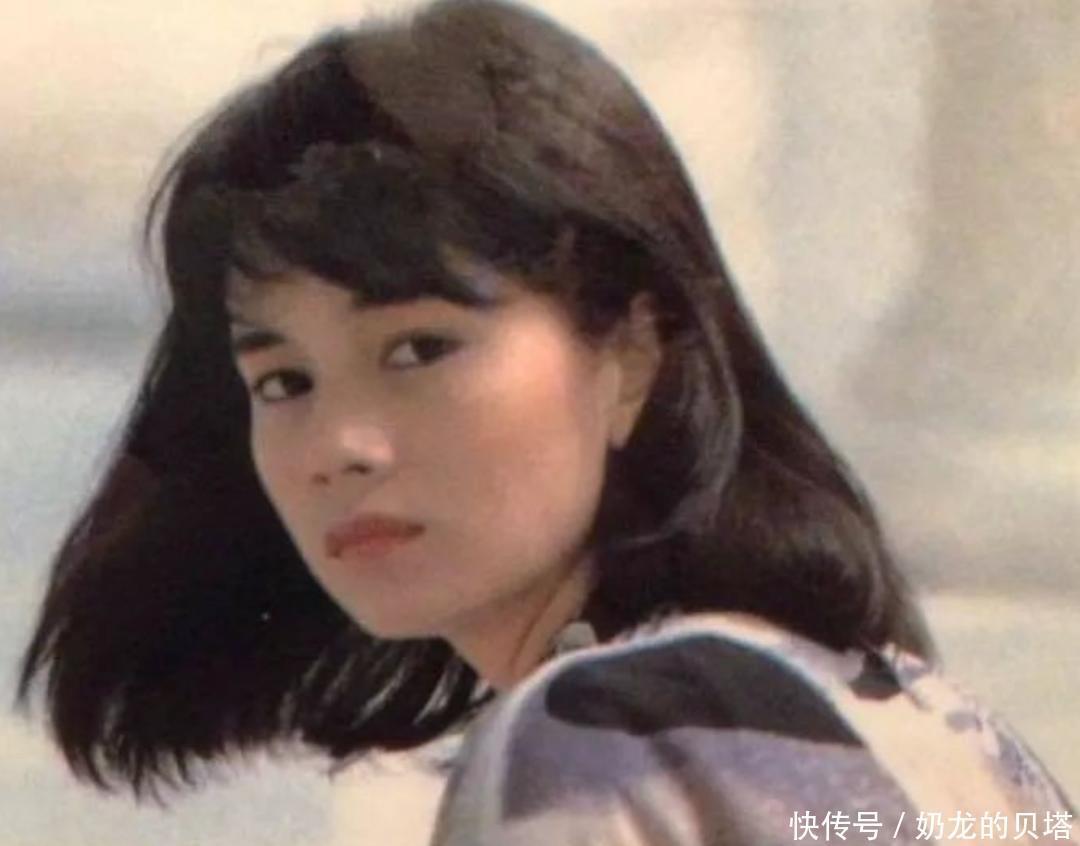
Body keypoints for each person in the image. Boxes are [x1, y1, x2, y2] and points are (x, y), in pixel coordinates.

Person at [17, 0, 1075, 843]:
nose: (340, 447)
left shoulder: (597, 743)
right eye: (284, 381)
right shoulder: (938, 730)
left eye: (419, 349)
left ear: (632, 353)